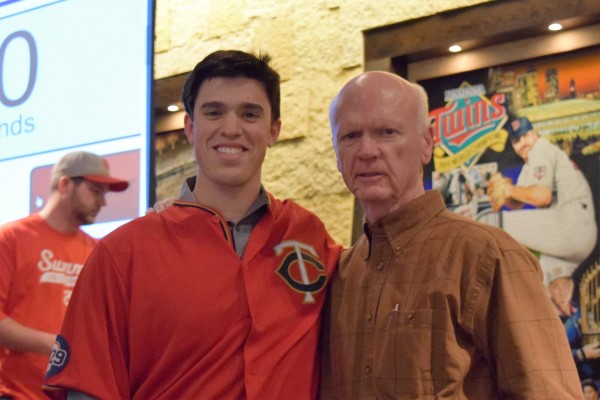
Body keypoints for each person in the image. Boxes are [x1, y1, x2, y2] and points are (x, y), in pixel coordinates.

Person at [43, 50, 339, 400]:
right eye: (214, 112)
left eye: (249, 113)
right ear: (190, 127)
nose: (231, 128)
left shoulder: (309, 236)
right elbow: (87, 388)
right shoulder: (122, 252)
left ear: (273, 130)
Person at [319, 71, 583, 398]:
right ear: (336, 153)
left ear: (427, 143)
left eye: (387, 132)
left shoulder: (488, 256)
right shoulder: (341, 277)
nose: (367, 150)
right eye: (350, 136)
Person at [0, 151, 128, 400]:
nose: (103, 202)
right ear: (65, 184)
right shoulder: (11, 239)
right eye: (95, 190)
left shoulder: (96, 250)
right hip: (18, 394)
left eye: (105, 193)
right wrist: (60, 346)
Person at [487, 116, 597, 284]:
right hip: (575, 233)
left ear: (534, 133)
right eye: (517, 140)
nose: (522, 143)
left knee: (487, 221)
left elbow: (542, 198)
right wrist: (504, 193)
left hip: (571, 222)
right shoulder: (529, 165)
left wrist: (507, 189)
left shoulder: (540, 148)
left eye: (526, 136)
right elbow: (518, 203)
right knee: (544, 287)